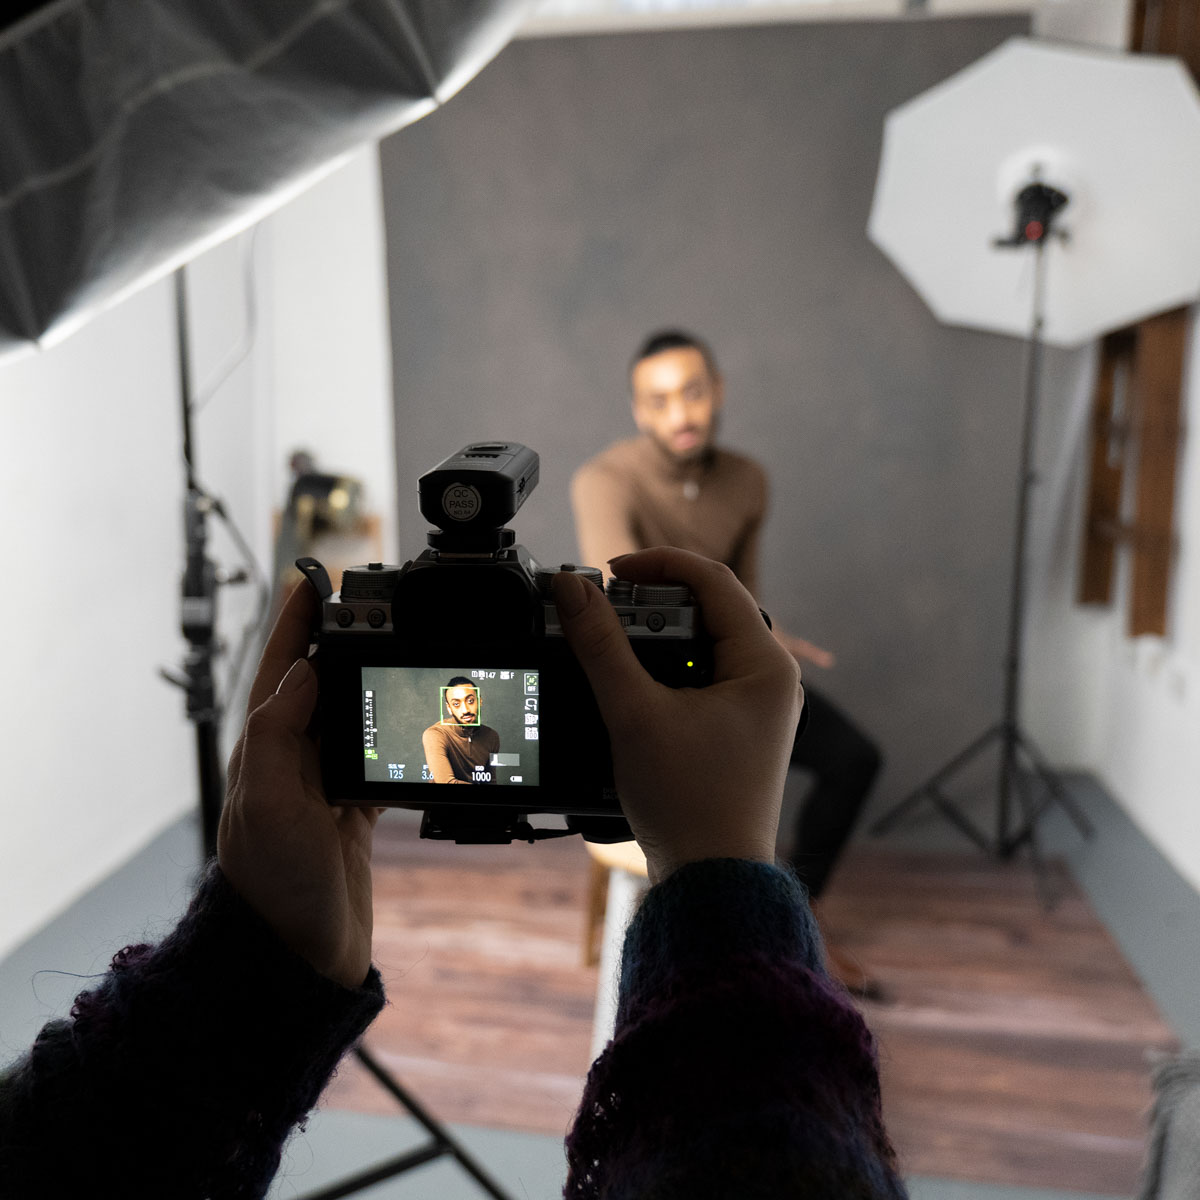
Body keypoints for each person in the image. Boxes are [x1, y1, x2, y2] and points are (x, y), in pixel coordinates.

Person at [0, 551, 906, 1199]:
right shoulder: (440, 732)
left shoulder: (475, 733)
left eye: (473, 696)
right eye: (459, 696)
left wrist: (257, 958)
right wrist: (722, 882)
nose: (466, 704)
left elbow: (55, 1162)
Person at [571, 328, 886, 997]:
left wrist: (770, 635)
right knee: (735, 803)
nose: (680, 414)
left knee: (854, 757)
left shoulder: (748, 479)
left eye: (692, 393)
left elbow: (741, 592)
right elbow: (620, 602)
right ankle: (758, 941)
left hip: (722, 665)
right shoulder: (603, 481)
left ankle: (800, 912)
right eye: (660, 401)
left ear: (717, 392)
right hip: (644, 683)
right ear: (638, 410)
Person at [422, 675, 501, 783]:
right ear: (449, 708)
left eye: (470, 701)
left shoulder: (492, 736)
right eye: (456, 704)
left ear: (480, 701)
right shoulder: (435, 734)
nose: (465, 710)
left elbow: (490, 780)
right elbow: (446, 782)